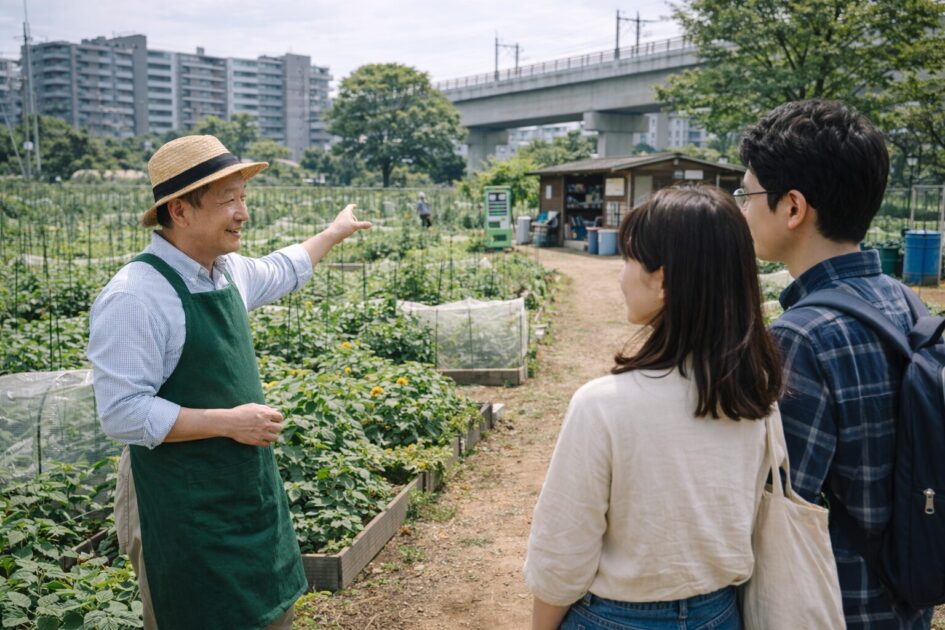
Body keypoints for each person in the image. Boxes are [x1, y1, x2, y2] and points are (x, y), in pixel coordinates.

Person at [87, 134, 371, 629]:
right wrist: (228, 422)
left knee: (266, 612)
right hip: (176, 499)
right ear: (180, 210)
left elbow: (283, 268)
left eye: (243, 197)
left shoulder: (225, 272)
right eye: (228, 200)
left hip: (240, 486)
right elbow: (122, 413)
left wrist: (334, 232)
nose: (243, 212)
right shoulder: (135, 296)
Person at [524, 185, 783, 630]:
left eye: (628, 260)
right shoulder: (755, 396)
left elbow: (562, 554)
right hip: (720, 614)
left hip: (613, 618)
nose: (621, 276)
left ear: (662, 280)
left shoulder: (603, 405)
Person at [738, 99, 933, 628]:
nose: (743, 210)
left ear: (793, 208)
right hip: (907, 595)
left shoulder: (799, 337)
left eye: (747, 195)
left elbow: (779, 505)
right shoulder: (906, 303)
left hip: (835, 606)